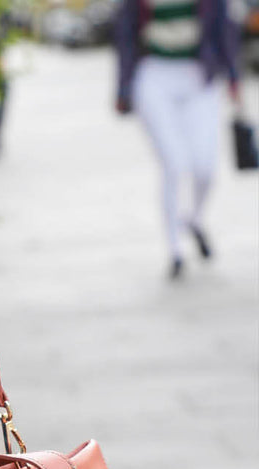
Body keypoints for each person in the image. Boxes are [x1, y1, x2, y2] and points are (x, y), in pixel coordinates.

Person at [114, 0, 242, 278]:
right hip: (154, 74)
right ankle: (175, 250)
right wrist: (123, 88)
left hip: (199, 75)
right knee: (174, 164)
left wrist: (233, 77)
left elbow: (224, 27)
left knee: (205, 167)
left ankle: (193, 219)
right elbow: (124, 34)